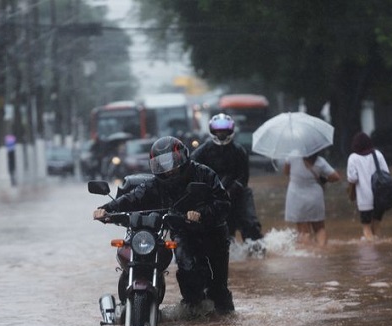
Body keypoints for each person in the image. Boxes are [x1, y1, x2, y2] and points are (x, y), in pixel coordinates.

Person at [92, 136, 235, 314]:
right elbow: (132, 198)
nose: (167, 170)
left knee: (218, 289)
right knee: (187, 269)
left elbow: (224, 203)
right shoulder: (154, 184)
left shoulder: (204, 174)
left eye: (171, 163)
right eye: (160, 165)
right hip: (182, 230)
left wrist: (201, 214)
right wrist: (106, 210)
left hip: (212, 233)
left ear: (182, 158)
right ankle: (192, 310)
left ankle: (224, 323)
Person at [191, 113, 264, 244]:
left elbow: (244, 177)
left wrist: (231, 190)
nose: (221, 133)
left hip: (238, 195)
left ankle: (256, 252)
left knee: (252, 227)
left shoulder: (239, 151)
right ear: (213, 131)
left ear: (230, 130)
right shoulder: (200, 153)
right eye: (218, 130)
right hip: (212, 198)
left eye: (224, 130)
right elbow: (193, 176)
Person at [283, 151, 340, 246]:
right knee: (320, 228)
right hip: (315, 198)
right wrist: (324, 179)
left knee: (303, 232)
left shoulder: (292, 156)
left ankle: (309, 255)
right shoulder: (320, 161)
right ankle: (322, 250)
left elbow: (286, 172)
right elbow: (336, 177)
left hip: (296, 197)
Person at [346, 132, 390, 241]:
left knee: (366, 227)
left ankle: (371, 252)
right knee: (377, 225)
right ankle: (378, 248)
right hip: (380, 198)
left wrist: (350, 193)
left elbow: (352, 179)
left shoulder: (353, 158)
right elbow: (386, 174)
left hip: (364, 200)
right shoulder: (378, 155)